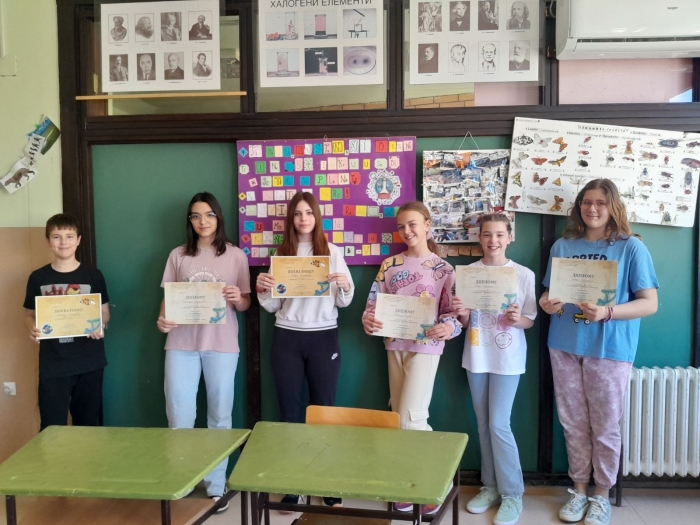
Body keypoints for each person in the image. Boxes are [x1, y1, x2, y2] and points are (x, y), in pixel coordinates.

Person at [540, 179, 658, 525]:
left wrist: (607, 312)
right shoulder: (563, 246)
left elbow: (649, 304)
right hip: (564, 345)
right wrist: (547, 303)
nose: (592, 209)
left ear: (613, 206)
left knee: (605, 426)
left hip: (610, 349)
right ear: (578, 206)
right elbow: (549, 294)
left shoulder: (631, 247)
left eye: (600, 203)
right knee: (572, 422)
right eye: (586, 202)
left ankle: (601, 495)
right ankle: (579, 490)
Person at [362, 201, 462, 516]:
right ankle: (408, 481)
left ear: (427, 225)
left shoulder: (444, 269)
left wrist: (449, 327)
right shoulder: (390, 265)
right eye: (401, 226)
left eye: (413, 224)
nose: (407, 231)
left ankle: (437, 482)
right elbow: (373, 305)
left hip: (426, 347)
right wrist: (368, 320)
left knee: (411, 418)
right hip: (394, 345)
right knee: (400, 418)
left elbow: (454, 314)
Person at [256, 192, 353, 510]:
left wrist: (344, 285)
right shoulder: (282, 254)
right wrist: (262, 290)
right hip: (287, 338)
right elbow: (272, 306)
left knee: (324, 410)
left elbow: (345, 301)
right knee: (290, 412)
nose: (303, 218)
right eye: (297, 213)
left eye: (308, 212)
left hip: (324, 337)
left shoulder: (332, 252)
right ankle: (294, 483)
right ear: (291, 218)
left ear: (316, 217)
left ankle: (326, 480)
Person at [157, 192, 251, 513]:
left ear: (219, 217)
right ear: (190, 220)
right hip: (181, 344)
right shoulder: (178, 255)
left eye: (209, 215)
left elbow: (245, 303)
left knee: (220, 416)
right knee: (179, 415)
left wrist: (238, 298)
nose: (203, 221)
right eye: (196, 216)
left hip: (221, 345)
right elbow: (168, 298)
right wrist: (162, 319)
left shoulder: (235, 255)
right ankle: (183, 479)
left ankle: (215, 484)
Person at [453, 214, 536, 525]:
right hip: (477, 355)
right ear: (479, 238)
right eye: (487, 234)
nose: (493, 241)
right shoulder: (468, 273)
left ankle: (513, 493)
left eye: (500, 234)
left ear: (509, 237)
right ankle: (490, 486)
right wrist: (462, 313)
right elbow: (464, 322)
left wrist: (517, 319)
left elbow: (529, 320)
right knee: (484, 424)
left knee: (500, 424)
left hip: (507, 358)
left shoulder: (523, 274)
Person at [24, 213, 110, 431]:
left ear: (78, 240)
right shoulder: (38, 277)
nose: (63, 242)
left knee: (88, 425)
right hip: (53, 363)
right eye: (56, 237)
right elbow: (29, 315)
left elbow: (105, 312)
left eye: (69, 236)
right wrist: (32, 328)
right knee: (51, 428)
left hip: (89, 362)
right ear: (48, 241)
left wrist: (99, 324)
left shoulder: (93, 275)